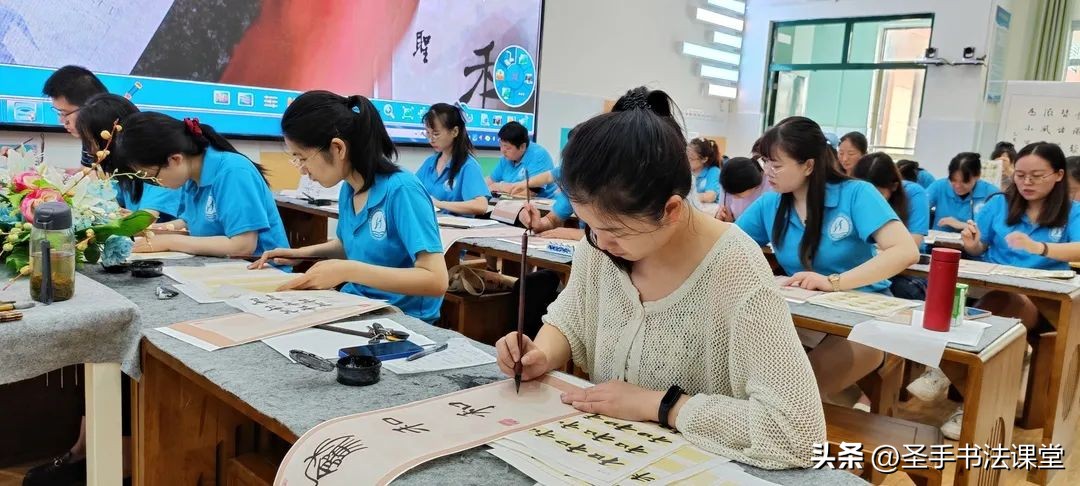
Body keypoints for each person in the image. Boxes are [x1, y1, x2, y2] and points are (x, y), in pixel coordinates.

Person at [495, 87, 824, 469]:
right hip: (600, 461)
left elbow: (798, 432)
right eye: (589, 226)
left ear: (670, 209)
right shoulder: (598, 245)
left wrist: (660, 405)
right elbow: (570, 320)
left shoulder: (735, 268)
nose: (600, 242)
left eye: (614, 231)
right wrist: (540, 353)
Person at [735, 116, 919, 408]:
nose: (768, 172)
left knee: (794, 396)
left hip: (863, 320)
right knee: (747, 377)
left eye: (777, 164)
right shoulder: (771, 204)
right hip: (801, 316)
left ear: (808, 165)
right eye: (764, 163)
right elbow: (728, 247)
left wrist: (834, 283)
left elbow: (905, 250)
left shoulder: (856, 194)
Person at [921, 142, 1080, 440]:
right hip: (991, 291)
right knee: (974, 307)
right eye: (1020, 175)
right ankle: (970, 402)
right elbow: (980, 244)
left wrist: (1041, 248)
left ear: (1059, 175)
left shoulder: (1072, 212)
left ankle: (944, 375)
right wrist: (971, 244)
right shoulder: (1000, 203)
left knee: (1003, 303)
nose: (1026, 183)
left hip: (1041, 303)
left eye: (1036, 176)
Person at [250, 91, 448, 323]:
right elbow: (350, 245)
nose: (301, 169)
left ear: (338, 149)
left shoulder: (402, 189)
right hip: (359, 305)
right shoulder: (349, 188)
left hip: (402, 319)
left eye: (301, 157)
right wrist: (299, 253)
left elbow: (435, 280)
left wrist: (346, 271)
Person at [111, 113, 289, 257]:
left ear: (175, 159)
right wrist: (145, 229)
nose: (155, 184)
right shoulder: (192, 177)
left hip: (264, 273)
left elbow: (242, 246)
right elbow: (194, 224)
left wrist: (168, 242)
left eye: (152, 177)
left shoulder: (233, 171)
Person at [74, 94, 181, 222]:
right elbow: (111, 206)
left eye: (91, 141)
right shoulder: (125, 171)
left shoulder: (155, 166)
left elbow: (143, 222)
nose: (91, 150)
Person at [853, 152, 930, 299]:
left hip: (907, 273)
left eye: (878, 193)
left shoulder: (914, 194)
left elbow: (913, 243)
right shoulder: (852, 196)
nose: (870, 199)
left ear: (894, 186)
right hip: (866, 270)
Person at [415, 103, 489, 216]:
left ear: (455, 131)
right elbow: (412, 190)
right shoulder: (429, 163)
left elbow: (481, 205)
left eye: (436, 134)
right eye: (428, 133)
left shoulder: (468, 165)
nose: (431, 139)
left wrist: (439, 204)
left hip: (456, 230)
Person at [42, 65, 108, 167]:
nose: (61, 120)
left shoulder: (122, 139)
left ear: (90, 107)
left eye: (65, 113)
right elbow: (87, 173)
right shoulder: (89, 134)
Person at [926, 152, 999, 232]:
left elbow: (995, 229)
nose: (957, 186)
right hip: (938, 243)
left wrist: (962, 225)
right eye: (953, 180)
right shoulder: (939, 186)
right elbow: (918, 208)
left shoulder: (992, 194)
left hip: (975, 244)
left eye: (965, 181)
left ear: (977, 176)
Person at [486, 121, 557, 197]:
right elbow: (491, 180)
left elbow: (530, 193)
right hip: (511, 202)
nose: (502, 150)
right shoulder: (506, 157)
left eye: (508, 147)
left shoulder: (538, 155)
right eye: (501, 145)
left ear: (522, 147)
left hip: (541, 204)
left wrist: (501, 186)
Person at [714, 156, 769, 222]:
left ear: (753, 186)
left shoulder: (768, 188)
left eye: (737, 195)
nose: (733, 197)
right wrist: (721, 218)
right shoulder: (728, 180)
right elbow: (724, 215)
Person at [687, 137, 722, 203]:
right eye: (686, 156)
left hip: (709, 210)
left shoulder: (713, 171)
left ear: (704, 159)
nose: (687, 161)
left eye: (691, 158)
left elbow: (710, 196)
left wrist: (689, 198)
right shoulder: (688, 172)